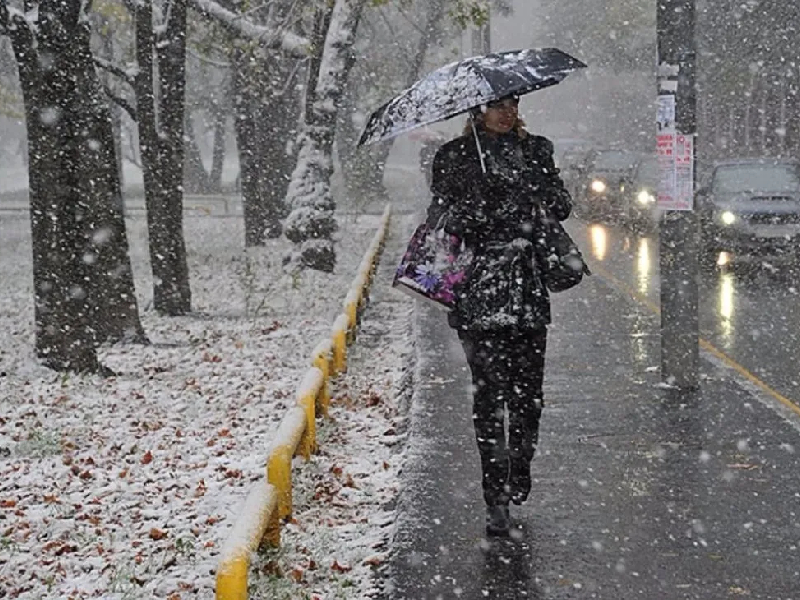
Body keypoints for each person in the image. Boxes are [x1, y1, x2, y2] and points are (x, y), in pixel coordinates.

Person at [425, 94, 572, 537]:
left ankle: (519, 465)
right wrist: (482, 206)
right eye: (496, 105)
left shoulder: (536, 150)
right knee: (489, 400)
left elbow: (562, 205)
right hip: (479, 293)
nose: (506, 112)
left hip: (527, 291)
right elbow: (441, 218)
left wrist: (535, 194)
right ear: (477, 111)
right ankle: (495, 497)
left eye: (512, 103)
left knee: (528, 398)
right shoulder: (454, 157)